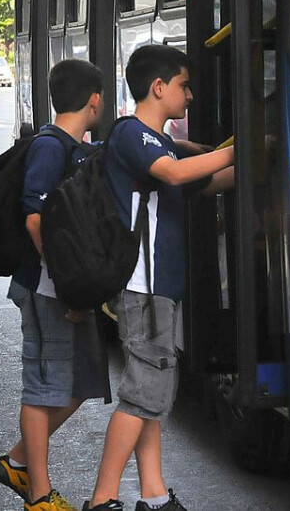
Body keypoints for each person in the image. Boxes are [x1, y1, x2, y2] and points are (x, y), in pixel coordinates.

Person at [84, 45, 234, 511]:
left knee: (150, 390)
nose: (189, 96)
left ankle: (153, 493)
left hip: (156, 285)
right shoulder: (134, 134)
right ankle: (103, 498)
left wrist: (252, 162)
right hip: (142, 285)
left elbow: (203, 182)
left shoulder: (160, 142)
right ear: (159, 87)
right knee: (144, 393)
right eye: (185, 86)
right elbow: (175, 173)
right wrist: (238, 151)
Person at [0, 59, 111, 511]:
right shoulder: (49, 147)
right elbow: (35, 218)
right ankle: (38, 493)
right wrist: (65, 283)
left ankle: (19, 462)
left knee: (80, 382)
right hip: (44, 286)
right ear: (95, 98)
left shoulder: (76, 146)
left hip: (57, 285)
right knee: (43, 386)